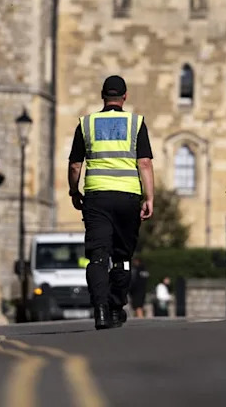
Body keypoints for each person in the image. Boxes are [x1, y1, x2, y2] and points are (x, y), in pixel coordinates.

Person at [68, 75, 155, 330]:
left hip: (96, 197)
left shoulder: (86, 123)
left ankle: (101, 310)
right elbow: (145, 163)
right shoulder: (135, 123)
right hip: (128, 197)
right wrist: (149, 197)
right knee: (122, 257)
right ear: (125, 97)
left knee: (97, 256)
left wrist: (74, 191)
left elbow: (75, 165)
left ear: (103, 96)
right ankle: (117, 306)